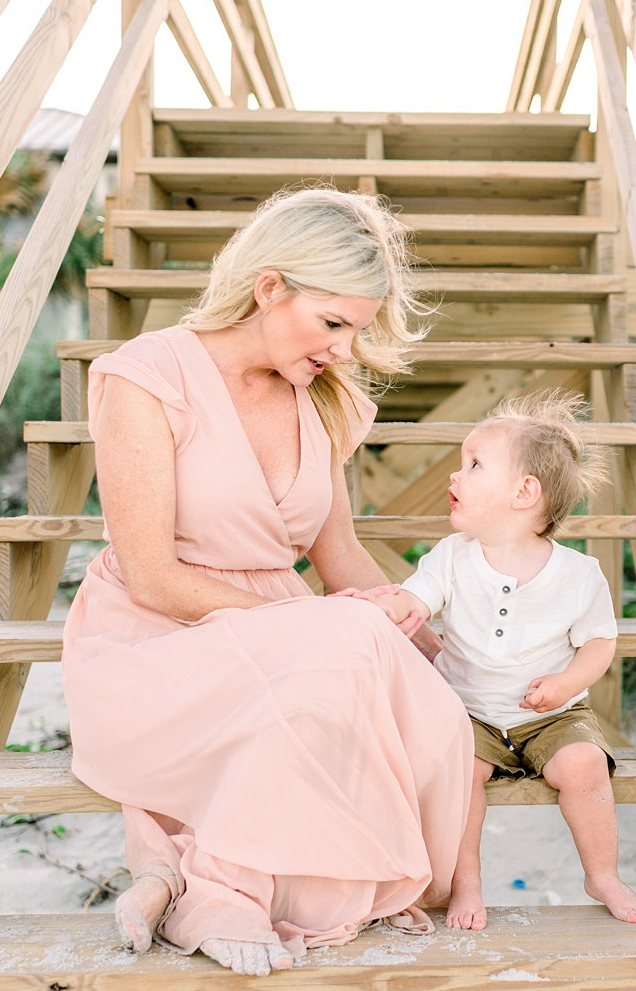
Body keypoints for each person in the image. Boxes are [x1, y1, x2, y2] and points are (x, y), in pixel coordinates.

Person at [59, 187, 473, 976]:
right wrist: (309, 628)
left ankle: (172, 874)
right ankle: (219, 894)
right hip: (156, 634)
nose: (347, 349)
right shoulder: (148, 378)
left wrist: (440, 652)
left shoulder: (322, 399)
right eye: (335, 323)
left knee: (432, 715)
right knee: (339, 648)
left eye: (358, 328)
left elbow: (341, 560)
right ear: (269, 286)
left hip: (289, 635)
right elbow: (151, 575)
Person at [358, 390, 636, 930]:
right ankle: (467, 882)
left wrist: (567, 685)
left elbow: (598, 644)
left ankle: (603, 874)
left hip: (552, 714)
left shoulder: (578, 574)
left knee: (585, 766)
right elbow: (417, 599)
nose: (454, 476)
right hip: (468, 713)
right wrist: (392, 603)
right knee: (461, 777)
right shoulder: (451, 558)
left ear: (524, 492)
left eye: (473, 465)